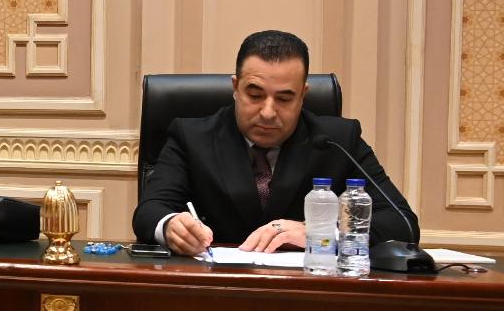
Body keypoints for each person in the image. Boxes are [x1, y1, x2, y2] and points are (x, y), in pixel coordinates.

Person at [132, 29, 418, 255]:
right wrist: (170, 226)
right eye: (255, 95)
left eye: (284, 98)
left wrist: (321, 232)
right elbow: (150, 210)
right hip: (216, 289)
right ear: (235, 88)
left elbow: (402, 222)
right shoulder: (192, 137)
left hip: (310, 294)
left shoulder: (338, 141)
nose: (268, 112)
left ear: (303, 95)